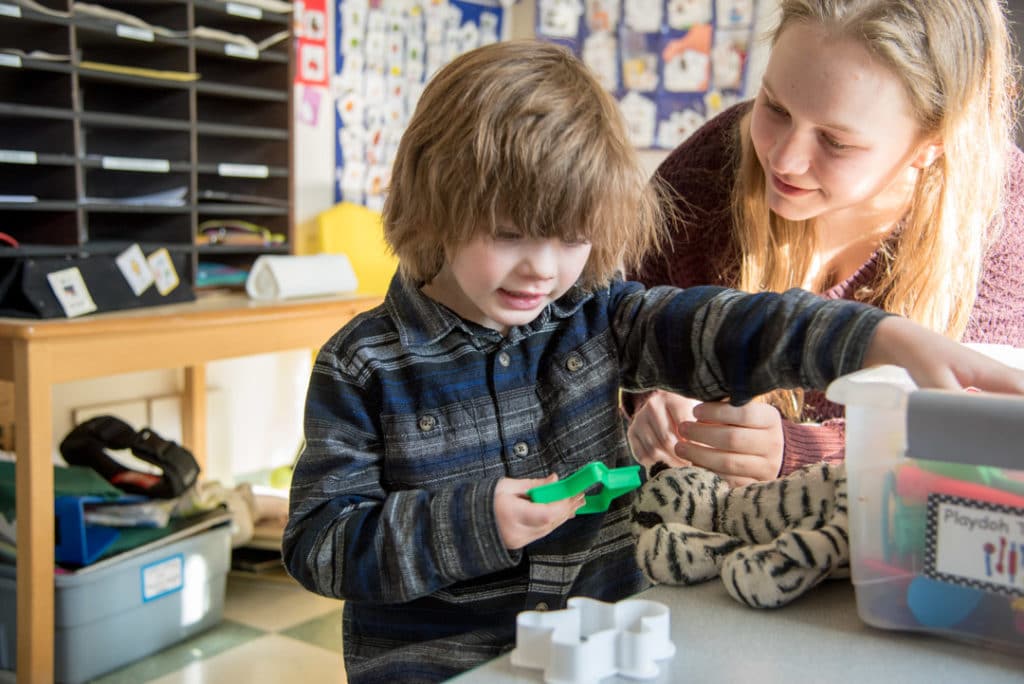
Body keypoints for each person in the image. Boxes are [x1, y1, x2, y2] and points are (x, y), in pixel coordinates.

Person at [281, 39, 1024, 683]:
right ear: (433, 203)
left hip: (610, 647)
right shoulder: (363, 367)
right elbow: (320, 547)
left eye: (571, 238)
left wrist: (874, 338)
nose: (542, 269)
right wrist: (474, 523)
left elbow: (734, 326)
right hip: (439, 667)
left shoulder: (596, 313)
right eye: (508, 235)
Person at [627, 0, 1024, 487]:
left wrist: (803, 452)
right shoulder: (704, 176)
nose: (784, 158)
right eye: (773, 107)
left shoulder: (1002, 220)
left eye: (835, 141)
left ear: (932, 144)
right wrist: (650, 395)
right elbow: (605, 333)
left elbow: (988, 432)